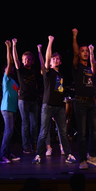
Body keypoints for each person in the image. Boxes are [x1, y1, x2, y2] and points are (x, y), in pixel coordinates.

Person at [32, 36, 76, 165]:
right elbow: (45, 60)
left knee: (63, 132)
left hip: (59, 107)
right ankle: (38, 155)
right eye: (53, 59)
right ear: (50, 62)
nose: (55, 60)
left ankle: (68, 155)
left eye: (57, 59)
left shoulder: (61, 76)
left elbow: (59, 91)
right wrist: (50, 42)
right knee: (43, 132)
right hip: (48, 106)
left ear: (60, 62)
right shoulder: (48, 72)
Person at [72, 29, 96, 169]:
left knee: (95, 131)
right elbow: (74, 53)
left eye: (86, 50)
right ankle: (82, 160)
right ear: (79, 53)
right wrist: (75, 36)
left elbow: (93, 85)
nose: (85, 52)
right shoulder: (76, 66)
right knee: (82, 133)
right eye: (83, 50)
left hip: (91, 102)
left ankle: (92, 156)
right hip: (80, 102)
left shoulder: (90, 68)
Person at [12, 38, 39, 155]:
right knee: (25, 123)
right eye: (25, 59)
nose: (27, 60)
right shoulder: (20, 70)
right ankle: (26, 146)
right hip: (23, 100)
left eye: (29, 59)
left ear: (32, 61)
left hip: (34, 100)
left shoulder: (33, 71)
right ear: (22, 61)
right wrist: (14, 45)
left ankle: (34, 144)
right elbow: (15, 59)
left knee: (35, 124)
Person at [0, 40, 21, 164]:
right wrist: (9, 48)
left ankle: (8, 153)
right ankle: (3, 156)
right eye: (9, 68)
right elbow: (10, 62)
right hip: (6, 108)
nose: (11, 69)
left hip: (13, 108)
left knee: (11, 131)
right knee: (8, 131)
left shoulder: (14, 81)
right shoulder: (6, 79)